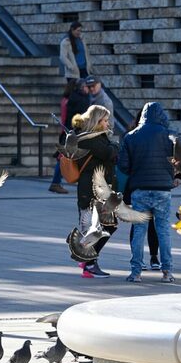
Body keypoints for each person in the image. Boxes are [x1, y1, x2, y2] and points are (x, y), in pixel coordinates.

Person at [118, 102, 181, 283]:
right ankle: (167, 272)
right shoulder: (170, 136)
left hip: (140, 188)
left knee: (139, 230)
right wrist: (174, 173)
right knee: (163, 230)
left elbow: (123, 165)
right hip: (163, 189)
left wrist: (136, 170)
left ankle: (136, 272)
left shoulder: (131, 136)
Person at [72, 105, 116, 278]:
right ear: (96, 121)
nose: (107, 124)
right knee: (96, 227)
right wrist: (115, 146)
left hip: (99, 189)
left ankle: (86, 258)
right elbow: (108, 153)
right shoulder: (88, 139)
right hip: (90, 190)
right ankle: (88, 262)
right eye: (105, 120)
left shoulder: (96, 137)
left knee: (106, 225)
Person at [123, 109, 160, 271]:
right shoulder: (133, 136)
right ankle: (144, 258)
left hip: (144, 184)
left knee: (147, 223)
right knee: (144, 223)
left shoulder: (155, 135)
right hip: (142, 185)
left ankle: (150, 257)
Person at [49, 80, 80, 195]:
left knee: (63, 157)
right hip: (68, 131)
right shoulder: (71, 101)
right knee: (63, 157)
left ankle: (57, 182)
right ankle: (55, 182)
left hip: (64, 130)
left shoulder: (64, 100)